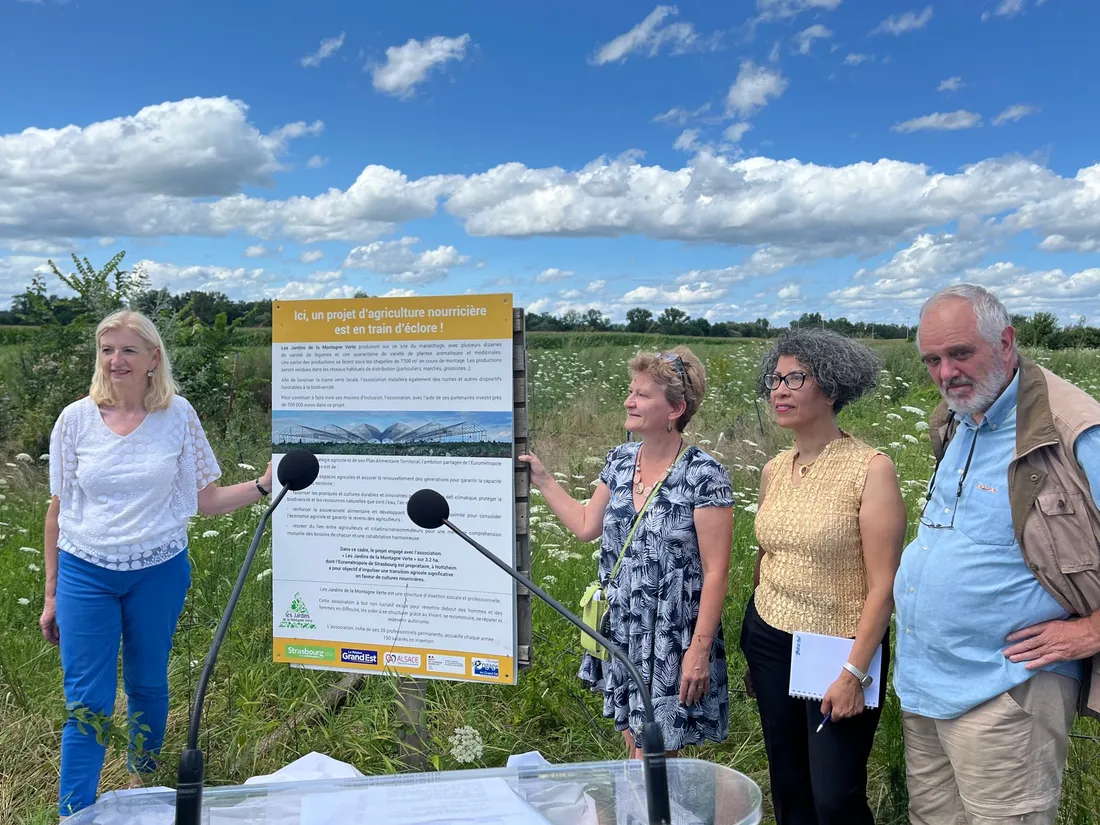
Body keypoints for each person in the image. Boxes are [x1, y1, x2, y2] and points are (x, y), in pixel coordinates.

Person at [39, 310, 273, 820]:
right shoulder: (74, 419)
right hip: (85, 571)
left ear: (153, 358)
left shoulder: (178, 415)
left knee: (148, 681)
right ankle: (74, 810)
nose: (116, 360)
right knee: (88, 701)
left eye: (127, 350)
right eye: (107, 350)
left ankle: (140, 780)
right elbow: (57, 510)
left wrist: (261, 486)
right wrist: (52, 593)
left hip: (158, 569)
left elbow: (204, 499)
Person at [895, 284, 1100, 825]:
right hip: (926, 686)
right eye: (932, 360)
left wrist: (1091, 631)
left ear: (1006, 342)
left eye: (960, 353)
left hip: (1006, 692)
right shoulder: (961, 417)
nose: (945, 374)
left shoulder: (1075, 430)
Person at [519, 346, 734, 757]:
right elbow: (586, 526)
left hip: (671, 632)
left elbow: (717, 571)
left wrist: (699, 650)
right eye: (630, 391)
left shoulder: (704, 475)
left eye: (642, 395)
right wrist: (544, 480)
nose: (628, 401)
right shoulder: (619, 461)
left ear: (675, 409)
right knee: (634, 742)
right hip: (625, 622)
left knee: (655, 754)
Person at [740, 328, 906, 825]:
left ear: (832, 389)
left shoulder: (870, 469)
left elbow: (884, 585)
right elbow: (767, 555)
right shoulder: (774, 468)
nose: (779, 389)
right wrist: (758, 643)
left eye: (796, 378)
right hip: (770, 636)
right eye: (775, 378)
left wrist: (854, 673)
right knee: (789, 785)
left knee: (835, 797)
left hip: (839, 650)